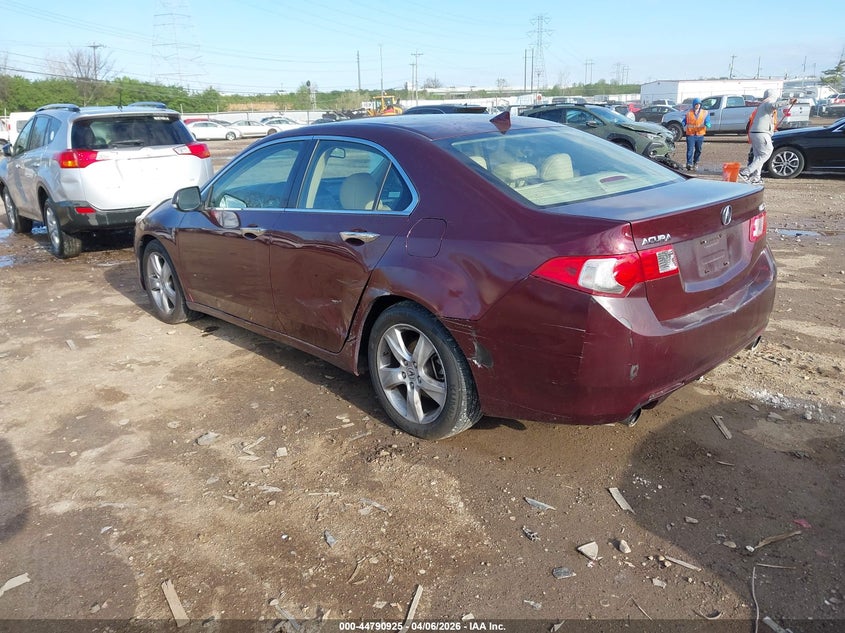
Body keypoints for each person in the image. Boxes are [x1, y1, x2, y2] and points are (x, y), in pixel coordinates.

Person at [740, 89, 797, 184]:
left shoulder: (762, 105)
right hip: (761, 133)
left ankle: (756, 177)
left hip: (755, 132)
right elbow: (774, 105)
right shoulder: (769, 103)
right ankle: (745, 173)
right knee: (766, 153)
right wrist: (788, 101)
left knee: (758, 156)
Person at [684, 98, 710, 171]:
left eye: (699, 104)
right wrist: (683, 123)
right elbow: (685, 120)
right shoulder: (689, 112)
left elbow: (707, 120)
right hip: (690, 134)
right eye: (696, 104)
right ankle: (689, 163)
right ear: (693, 105)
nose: (698, 105)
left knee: (698, 149)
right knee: (690, 150)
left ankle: (696, 162)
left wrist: (708, 123)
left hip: (700, 134)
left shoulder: (705, 112)